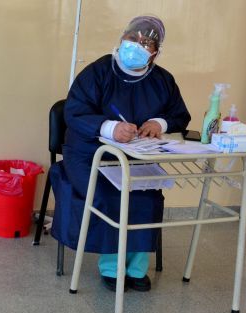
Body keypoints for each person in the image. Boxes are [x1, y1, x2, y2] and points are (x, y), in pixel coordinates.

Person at [51, 15, 189, 292]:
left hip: (136, 156)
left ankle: (136, 269)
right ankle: (112, 268)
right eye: (133, 38)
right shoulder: (97, 72)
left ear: (155, 53)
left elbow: (179, 116)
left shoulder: (163, 80)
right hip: (88, 154)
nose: (137, 45)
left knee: (147, 196)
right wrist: (110, 127)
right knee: (111, 195)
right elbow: (74, 113)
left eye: (146, 43)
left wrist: (159, 123)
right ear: (122, 38)